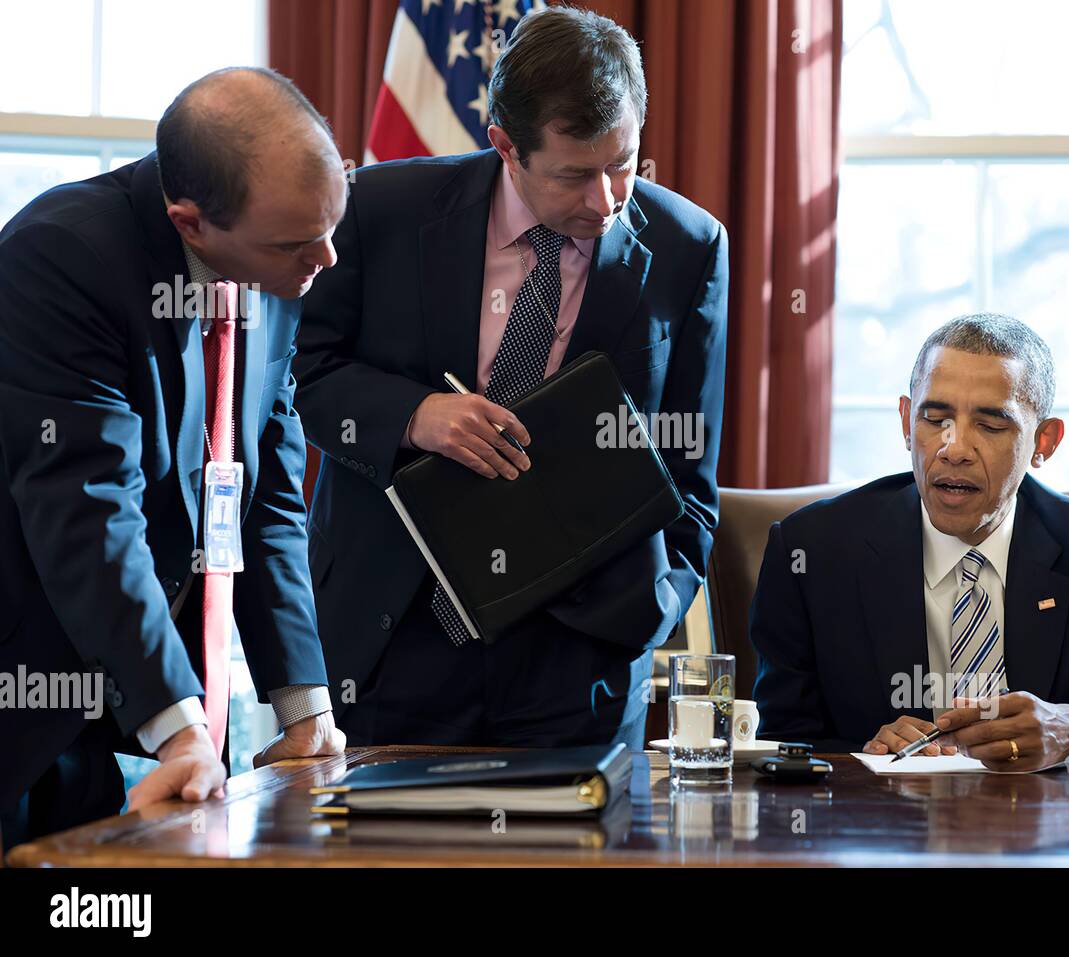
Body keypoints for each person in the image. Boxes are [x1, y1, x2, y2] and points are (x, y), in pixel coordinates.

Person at [294, 6, 728, 750]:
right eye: (574, 174)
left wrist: (652, 604)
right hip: (394, 632)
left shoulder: (691, 247)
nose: (606, 201)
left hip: (581, 654)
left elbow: (690, 471)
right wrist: (415, 414)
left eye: (621, 162)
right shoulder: (379, 210)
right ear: (505, 146)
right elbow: (309, 378)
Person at [0, 68, 347, 846]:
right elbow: (90, 509)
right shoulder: (61, 256)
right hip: (40, 704)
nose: (324, 259)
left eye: (333, 225)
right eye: (298, 243)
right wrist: (178, 725)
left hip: (179, 706)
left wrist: (303, 704)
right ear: (191, 223)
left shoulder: (283, 252)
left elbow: (267, 495)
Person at [751, 314, 1069, 769]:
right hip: (885, 830)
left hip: (1053, 828)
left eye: (990, 426)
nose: (954, 448)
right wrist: (860, 755)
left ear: (1043, 441)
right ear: (908, 422)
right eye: (935, 418)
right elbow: (782, 740)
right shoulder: (814, 550)